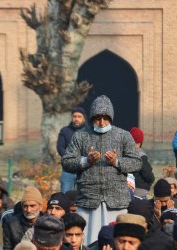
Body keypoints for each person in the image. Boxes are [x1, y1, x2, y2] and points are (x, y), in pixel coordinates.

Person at [62, 95, 142, 245]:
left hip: (116, 201)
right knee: (88, 241)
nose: (101, 122)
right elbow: (66, 162)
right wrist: (86, 161)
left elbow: (136, 163)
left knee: (115, 242)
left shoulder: (123, 136)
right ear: (92, 118)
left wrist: (117, 162)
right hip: (88, 200)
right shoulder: (81, 136)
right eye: (98, 118)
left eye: (105, 118)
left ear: (111, 118)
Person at [57, 107, 88, 193]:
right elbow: (60, 147)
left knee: (84, 195)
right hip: (68, 169)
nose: (76, 119)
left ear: (84, 118)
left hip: (85, 169)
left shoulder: (89, 131)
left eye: (79, 116)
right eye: (74, 116)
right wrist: (70, 158)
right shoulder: (65, 131)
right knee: (65, 194)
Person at [129, 127, 155, 199]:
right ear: (141, 141)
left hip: (126, 190)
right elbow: (148, 175)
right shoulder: (141, 156)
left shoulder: (124, 154)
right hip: (139, 191)